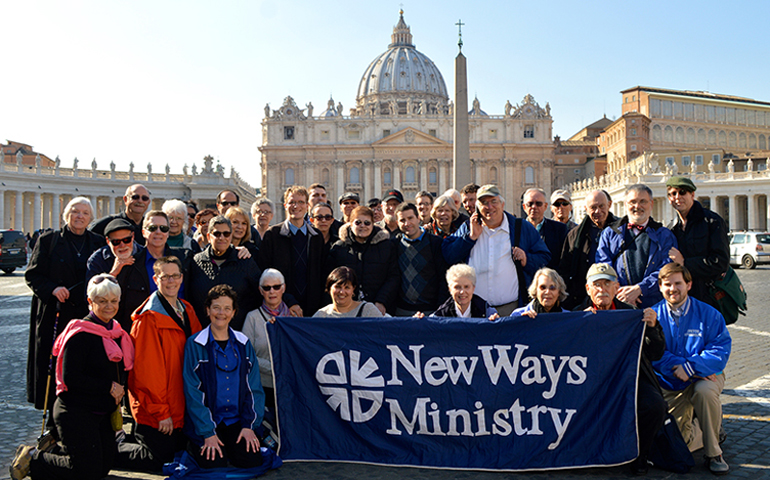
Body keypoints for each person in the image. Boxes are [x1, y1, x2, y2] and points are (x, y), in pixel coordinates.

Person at [11, 274, 134, 480]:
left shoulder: (116, 331)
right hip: (75, 411)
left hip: (102, 411)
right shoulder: (80, 333)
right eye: (102, 301)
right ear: (90, 302)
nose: (109, 307)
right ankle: (34, 457)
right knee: (87, 472)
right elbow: (71, 378)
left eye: (113, 301)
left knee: (103, 468)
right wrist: (109, 387)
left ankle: (56, 457)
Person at [25, 197, 105, 434]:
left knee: (83, 365)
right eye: (75, 212)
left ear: (91, 218)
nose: (79, 216)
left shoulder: (97, 242)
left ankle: (83, 413)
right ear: (65, 214)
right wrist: (51, 288)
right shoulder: (49, 240)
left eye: (84, 213)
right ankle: (53, 416)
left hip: (86, 315)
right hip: (55, 313)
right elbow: (32, 275)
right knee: (54, 364)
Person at [115, 257, 202, 473]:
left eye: (175, 276)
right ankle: (99, 450)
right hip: (158, 409)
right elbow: (146, 374)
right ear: (156, 279)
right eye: (165, 277)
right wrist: (161, 412)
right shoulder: (148, 320)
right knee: (157, 461)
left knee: (180, 455)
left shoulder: (187, 309)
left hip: (180, 405)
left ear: (182, 278)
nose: (171, 281)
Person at [578, 262, 667, 475]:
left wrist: (653, 328)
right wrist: (582, 325)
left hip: (629, 380)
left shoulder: (633, 314)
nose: (602, 289)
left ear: (617, 287)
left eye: (607, 284)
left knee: (655, 405)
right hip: (590, 384)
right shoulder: (577, 315)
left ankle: (640, 455)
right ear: (588, 289)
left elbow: (656, 353)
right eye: (596, 285)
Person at [651, 263, 732, 475]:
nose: (673, 289)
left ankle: (714, 452)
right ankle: (706, 425)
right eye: (667, 284)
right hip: (671, 380)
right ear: (660, 287)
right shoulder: (653, 315)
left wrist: (692, 367)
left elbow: (719, 349)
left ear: (689, 284)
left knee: (704, 393)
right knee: (678, 446)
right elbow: (653, 352)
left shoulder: (709, 314)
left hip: (705, 376)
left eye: (678, 283)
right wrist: (677, 366)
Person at [183, 285, 265, 469]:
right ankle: (194, 444)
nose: (221, 313)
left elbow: (254, 389)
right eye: (216, 307)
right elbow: (192, 392)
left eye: (227, 308)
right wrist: (207, 433)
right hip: (208, 422)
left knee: (252, 461)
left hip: (236, 421)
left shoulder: (244, 344)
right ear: (207, 310)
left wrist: (249, 426)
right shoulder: (195, 344)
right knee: (214, 464)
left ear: (234, 312)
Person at [443, 184, 551, 316]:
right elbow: (448, 255)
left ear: (502, 204)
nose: (489, 207)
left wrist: (526, 259)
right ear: (478, 207)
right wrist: (470, 238)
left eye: (494, 202)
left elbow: (544, 257)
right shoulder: (468, 227)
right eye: (484, 203)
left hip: (510, 309)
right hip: (477, 311)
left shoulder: (521, 227)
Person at [87, 212, 191, 330]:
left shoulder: (185, 258)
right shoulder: (130, 264)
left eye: (163, 228)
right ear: (143, 232)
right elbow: (113, 302)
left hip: (179, 330)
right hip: (141, 333)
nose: (158, 232)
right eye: (152, 228)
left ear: (168, 233)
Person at [596, 184, 678, 308]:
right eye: (632, 202)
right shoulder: (609, 233)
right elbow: (603, 266)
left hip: (655, 304)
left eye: (642, 202)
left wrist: (640, 289)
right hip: (619, 301)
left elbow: (667, 269)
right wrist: (622, 293)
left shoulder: (665, 235)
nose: (637, 206)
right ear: (625, 204)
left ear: (651, 204)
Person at [258, 186, 325, 315]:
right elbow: (264, 270)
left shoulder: (317, 236)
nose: (296, 206)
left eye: (301, 202)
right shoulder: (272, 235)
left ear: (307, 206)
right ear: (285, 205)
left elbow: (321, 272)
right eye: (292, 202)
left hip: (313, 307)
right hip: (282, 306)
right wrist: (289, 301)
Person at [665, 176, 730, 309]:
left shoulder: (712, 221)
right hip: (682, 300)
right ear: (669, 199)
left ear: (692, 194)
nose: (677, 197)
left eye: (682, 192)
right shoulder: (671, 229)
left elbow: (721, 262)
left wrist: (685, 263)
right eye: (673, 194)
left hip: (708, 299)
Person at [188, 216, 263, 331]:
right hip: (202, 332)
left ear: (231, 236)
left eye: (226, 234)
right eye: (217, 234)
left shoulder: (244, 260)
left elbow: (260, 292)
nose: (222, 238)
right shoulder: (196, 262)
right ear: (208, 236)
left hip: (237, 332)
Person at [326, 206, 400, 315]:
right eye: (358, 222)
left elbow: (394, 276)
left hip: (379, 307)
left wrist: (382, 301)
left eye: (367, 223)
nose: (362, 226)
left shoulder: (386, 246)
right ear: (350, 224)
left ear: (373, 224)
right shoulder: (339, 248)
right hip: (347, 308)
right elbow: (331, 279)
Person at [242, 268, 294, 412]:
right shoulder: (252, 318)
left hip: (290, 386)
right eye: (267, 288)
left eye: (276, 287)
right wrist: (275, 368)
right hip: (262, 387)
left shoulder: (295, 317)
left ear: (283, 288)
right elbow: (247, 355)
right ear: (260, 290)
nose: (272, 291)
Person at [558, 189, 618, 309]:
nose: (598, 211)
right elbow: (565, 268)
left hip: (615, 297)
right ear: (586, 209)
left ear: (609, 205)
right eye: (593, 207)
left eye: (601, 206)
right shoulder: (574, 235)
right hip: (582, 298)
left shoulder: (621, 230)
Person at [393, 203, 448, 316]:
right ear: (397, 223)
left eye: (410, 218)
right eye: (402, 220)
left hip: (431, 310)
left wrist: (440, 309)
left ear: (418, 218)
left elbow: (443, 277)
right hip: (402, 311)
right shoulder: (394, 245)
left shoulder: (435, 243)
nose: (407, 223)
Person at [428, 264, 498, 320]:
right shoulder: (441, 314)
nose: (462, 292)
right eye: (457, 287)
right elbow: (428, 327)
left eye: (466, 287)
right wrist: (420, 321)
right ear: (450, 289)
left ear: (473, 288)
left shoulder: (487, 311)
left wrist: (495, 322)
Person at [523, 188, 568, 270]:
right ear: (524, 207)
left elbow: (564, 261)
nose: (534, 207)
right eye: (530, 204)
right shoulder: (517, 229)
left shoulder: (559, 229)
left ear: (545, 206)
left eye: (538, 204)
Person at [314, 267, 384, 317]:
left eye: (347, 287)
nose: (342, 292)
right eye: (338, 287)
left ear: (353, 289)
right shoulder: (321, 315)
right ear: (329, 288)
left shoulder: (368, 310)